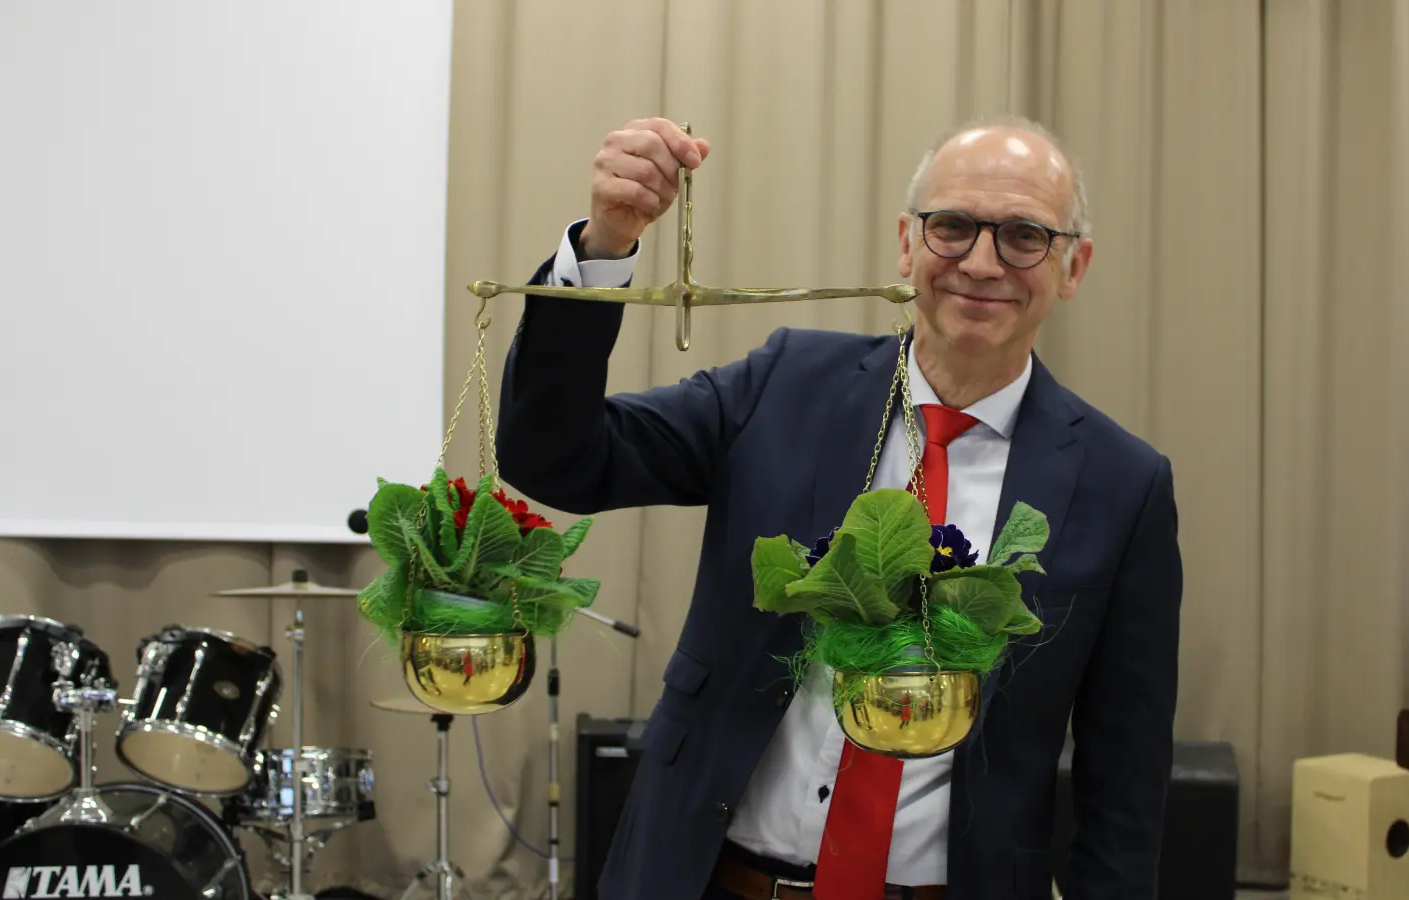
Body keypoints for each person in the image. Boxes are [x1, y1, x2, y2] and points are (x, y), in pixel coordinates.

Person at [496, 115, 1183, 900]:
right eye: (953, 226)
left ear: (1073, 265)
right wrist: (606, 247)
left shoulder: (1122, 485)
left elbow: (1124, 782)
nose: (982, 262)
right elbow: (556, 458)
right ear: (906, 242)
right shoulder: (785, 385)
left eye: (1024, 235)